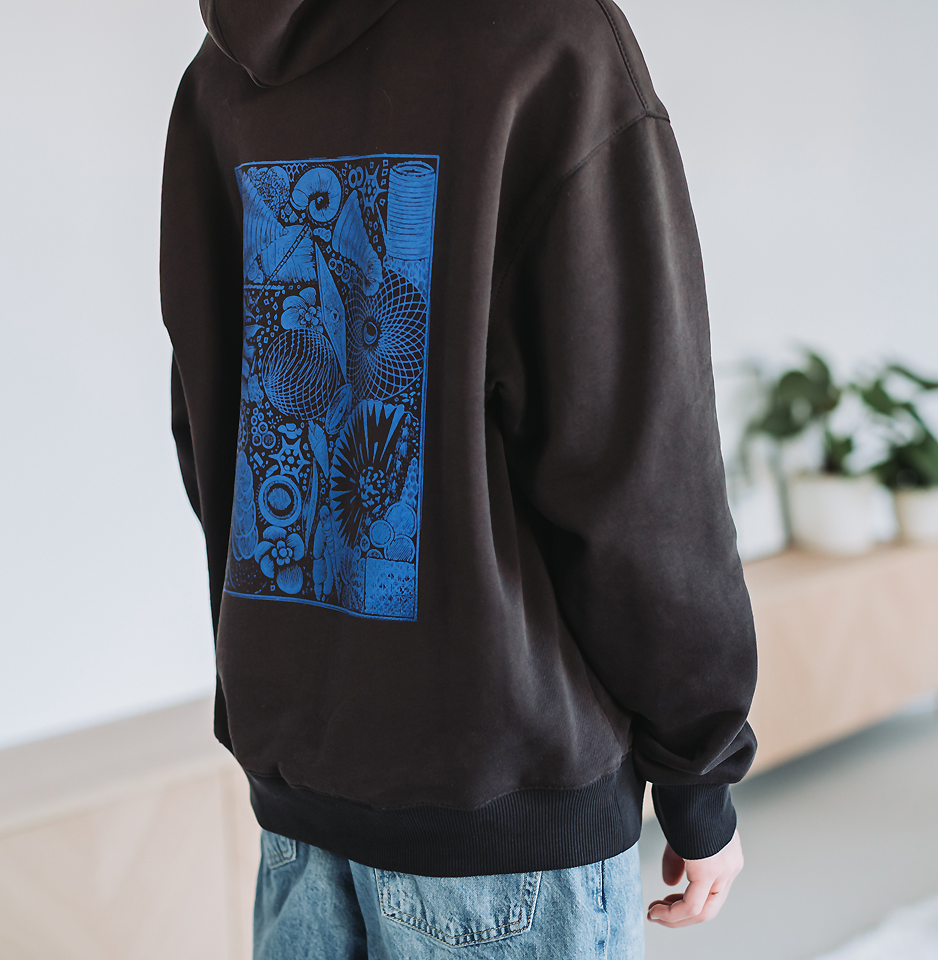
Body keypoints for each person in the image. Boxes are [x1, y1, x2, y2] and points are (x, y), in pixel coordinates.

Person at [161, 0, 757, 955]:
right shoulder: (547, 42)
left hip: (301, 788)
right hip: (502, 804)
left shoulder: (221, 74)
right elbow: (636, 461)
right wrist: (700, 767)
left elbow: (212, 428)